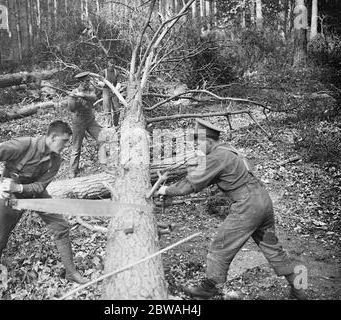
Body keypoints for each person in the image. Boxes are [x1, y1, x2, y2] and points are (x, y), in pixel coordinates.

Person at [156, 118, 308, 300]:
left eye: (199, 143)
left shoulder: (217, 156)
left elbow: (192, 183)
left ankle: (208, 288)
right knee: (272, 247)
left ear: (209, 141)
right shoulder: (230, 150)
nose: (197, 148)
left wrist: (167, 189)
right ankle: (299, 289)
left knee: (221, 245)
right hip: (262, 200)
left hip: (248, 205)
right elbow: (208, 178)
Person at [0, 120, 89, 295]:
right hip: (10, 197)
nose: (65, 146)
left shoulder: (56, 159)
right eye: (64, 141)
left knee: (61, 227)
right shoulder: (22, 145)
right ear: (52, 137)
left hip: (34, 194)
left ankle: (71, 272)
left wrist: (21, 188)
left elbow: (40, 186)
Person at [68, 73, 103, 178]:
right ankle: (72, 171)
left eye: (88, 81)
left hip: (90, 120)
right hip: (78, 122)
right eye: (86, 81)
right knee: (76, 147)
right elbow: (71, 109)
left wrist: (83, 96)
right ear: (81, 82)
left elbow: (94, 97)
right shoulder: (74, 92)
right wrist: (74, 99)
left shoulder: (90, 90)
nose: (88, 83)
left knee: (102, 138)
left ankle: (104, 163)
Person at [101, 57, 121, 127]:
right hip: (106, 90)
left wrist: (116, 89)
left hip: (114, 92)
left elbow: (119, 82)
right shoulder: (104, 72)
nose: (112, 65)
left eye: (113, 63)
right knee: (107, 108)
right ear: (108, 63)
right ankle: (108, 124)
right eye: (111, 63)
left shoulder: (116, 72)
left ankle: (116, 123)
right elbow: (98, 81)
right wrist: (103, 83)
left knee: (117, 108)